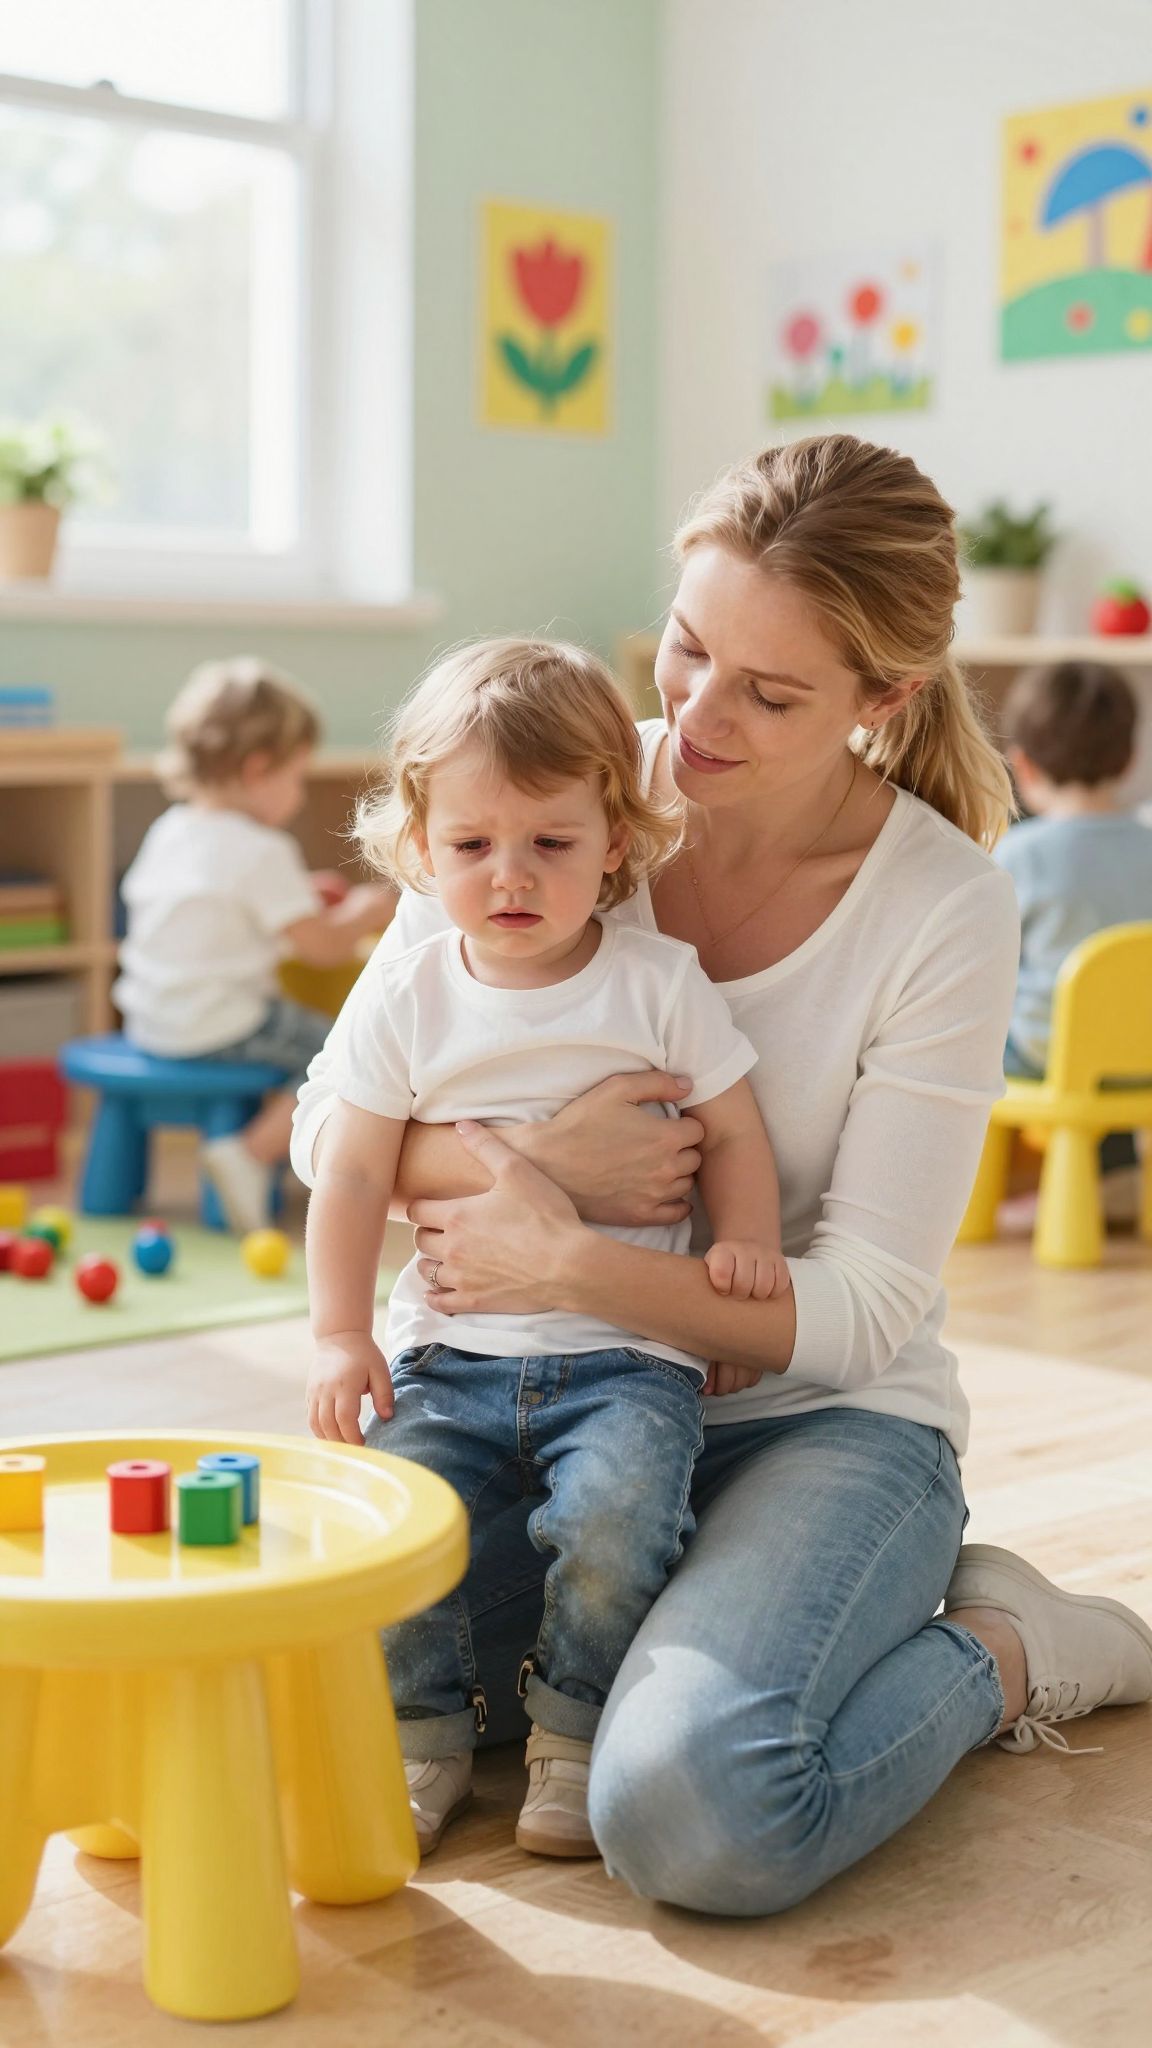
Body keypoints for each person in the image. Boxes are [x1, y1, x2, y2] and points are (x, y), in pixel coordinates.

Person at [292, 435, 1152, 1916]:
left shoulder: (941, 904)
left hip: (813, 1421)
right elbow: (332, 1128)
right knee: (320, 1675)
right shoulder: (549, 777)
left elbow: (868, 1304)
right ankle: (701, 1633)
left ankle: (1009, 1646)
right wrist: (541, 1167)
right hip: (530, 1398)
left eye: (770, 692)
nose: (693, 716)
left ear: (882, 699)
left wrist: (571, 1260)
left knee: (691, 1809)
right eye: (688, 651)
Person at [303, 638, 787, 1858]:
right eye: (472, 847)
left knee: (620, 1516)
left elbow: (733, 1126)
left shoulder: (659, 981)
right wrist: (339, 1328)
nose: (509, 875)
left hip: (627, 1353)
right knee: (401, 1521)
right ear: (422, 849)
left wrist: (746, 1248)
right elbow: (351, 1165)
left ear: (615, 840)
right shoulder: (411, 992)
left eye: (551, 844)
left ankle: (571, 1733)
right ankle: (422, 1737)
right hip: (450, 1350)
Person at [115, 656, 393, 1233]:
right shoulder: (261, 850)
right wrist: (364, 913)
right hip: (219, 1026)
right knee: (341, 1052)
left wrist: (297, 899)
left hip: (150, 1021)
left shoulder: (170, 829)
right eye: (296, 776)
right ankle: (248, 1153)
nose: (297, 794)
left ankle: (251, 1152)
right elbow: (321, 949)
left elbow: (217, 914)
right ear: (258, 768)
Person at [995, 659, 1152, 1092]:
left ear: (1022, 765)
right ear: (1130, 761)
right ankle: (1110, 1156)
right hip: (1143, 1058)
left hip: (1048, 1058)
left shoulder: (1020, 853)